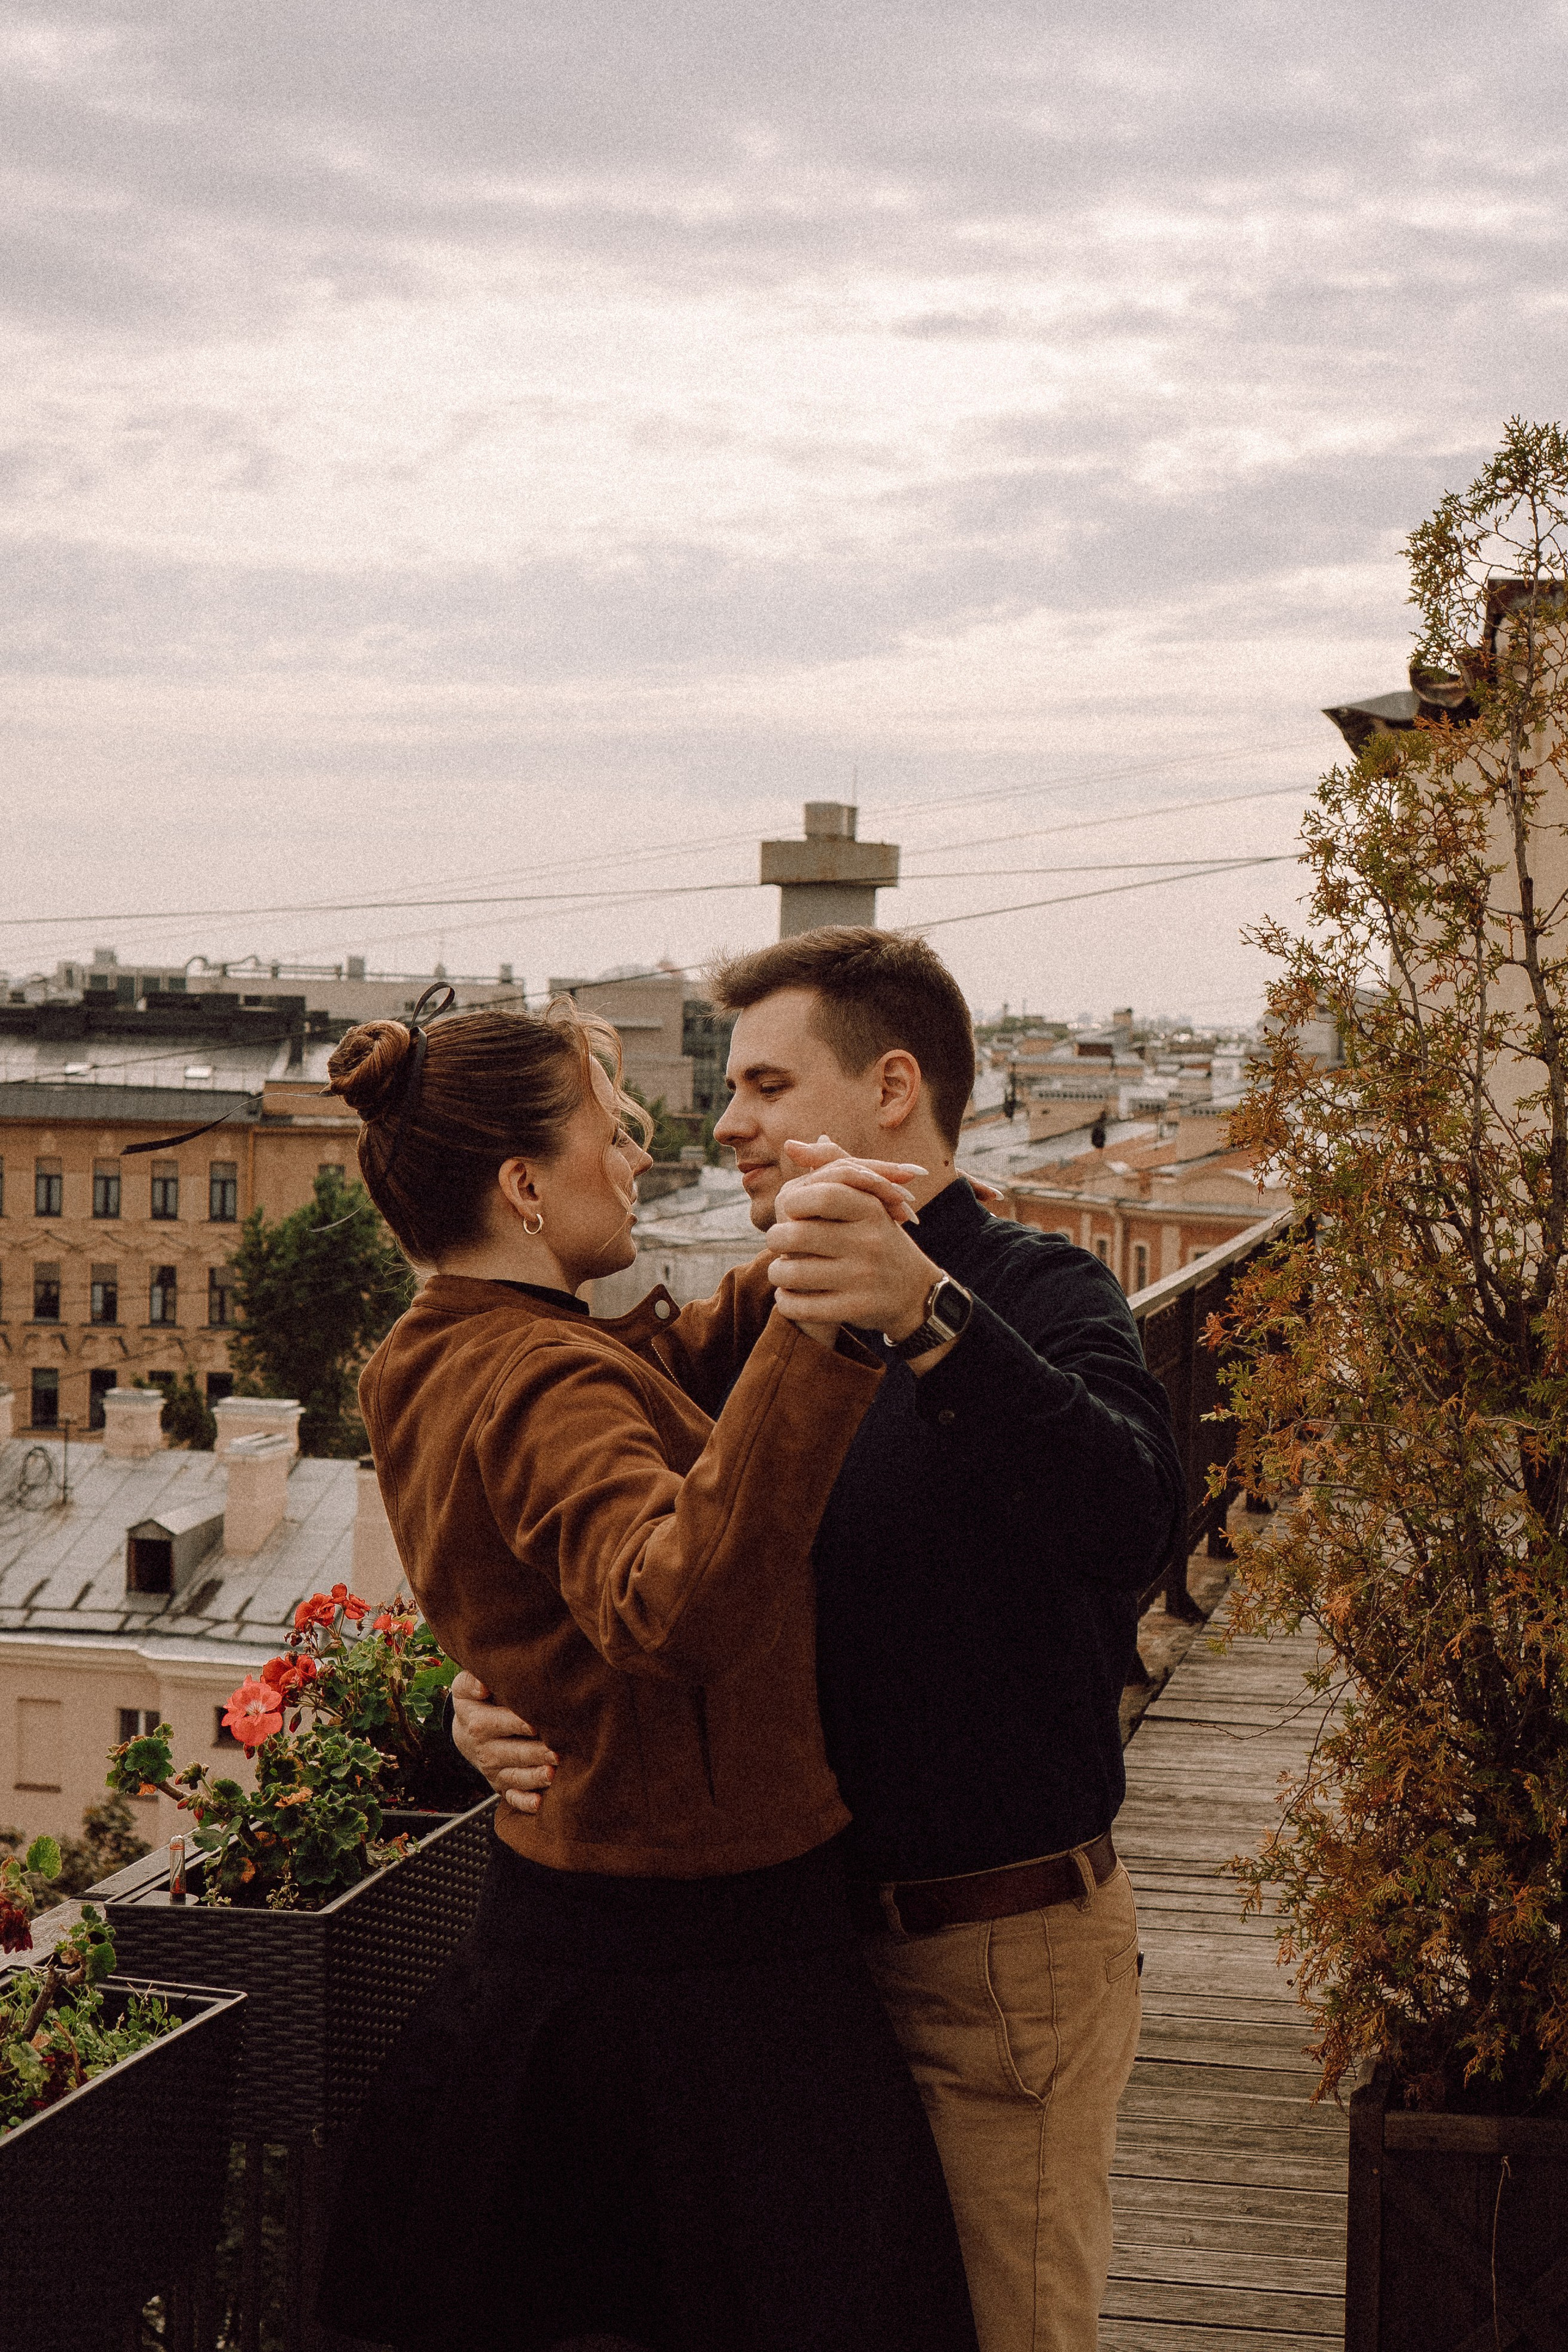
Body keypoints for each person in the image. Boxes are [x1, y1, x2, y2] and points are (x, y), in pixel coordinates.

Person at [453, 928, 1185, 2352]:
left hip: (995, 1969)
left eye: (769, 1086)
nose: (726, 1125)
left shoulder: (1037, 1291)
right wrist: (478, 1704)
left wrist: (932, 1318)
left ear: (892, 1090)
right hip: (785, 1970)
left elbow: (1132, 1521)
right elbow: (624, 1569)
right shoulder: (754, 1328)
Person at [313, 998, 980, 2352]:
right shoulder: (537, 1378)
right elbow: (664, 1606)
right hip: (701, 1989)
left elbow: (646, 1387)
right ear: (520, 1184)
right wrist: (829, 1331)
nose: (635, 1158)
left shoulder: (447, 1346)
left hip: (568, 1945)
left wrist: (802, 1256)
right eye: (611, 1136)